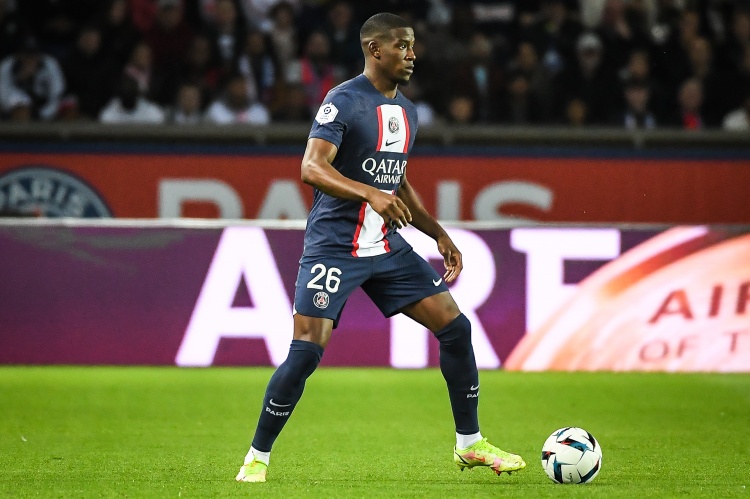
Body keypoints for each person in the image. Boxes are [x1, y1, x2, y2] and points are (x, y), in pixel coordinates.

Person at [235, 12, 527, 484]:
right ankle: (257, 456)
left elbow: (398, 180)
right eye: (402, 46)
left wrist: (437, 233)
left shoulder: (407, 111)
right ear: (375, 49)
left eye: (413, 46)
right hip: (334, 246)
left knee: (456, 328)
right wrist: (369, 193)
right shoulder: (343, 101)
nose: (412, 54)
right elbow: (311, 167)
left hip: (386, 247)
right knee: (306, 352)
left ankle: (470, 444)